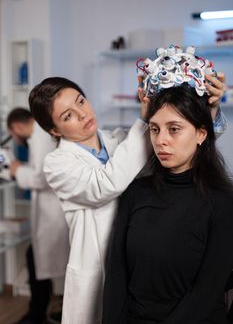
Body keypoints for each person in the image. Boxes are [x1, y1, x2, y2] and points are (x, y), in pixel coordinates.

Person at [28, 74, 226, 324]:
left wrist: (210, 109)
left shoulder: (119, 140)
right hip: (99, 270)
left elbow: (181, 144)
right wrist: (144, 120)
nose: (82, 114)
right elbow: (105, 184)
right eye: (67, 115)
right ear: (54, 130)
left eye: (80, 102)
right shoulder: (56, 164)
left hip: (138, 265)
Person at [102, 84, 233, 324]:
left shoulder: (223, 201)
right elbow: (116, 278)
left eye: (174, 129)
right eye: (154, 129)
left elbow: (207, 291)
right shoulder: (135, 193)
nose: (161, 140)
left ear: (201, 134)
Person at [7, 108, 70, 324]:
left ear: (16, 127)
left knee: (38, 259)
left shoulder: (41, 137)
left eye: (13, 134)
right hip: (51, 213)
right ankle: (40, 311)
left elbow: (40, 179)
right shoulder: (39, 136)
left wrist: (15, 169)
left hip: (54, 214)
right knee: (37, 259)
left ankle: (39, 313)